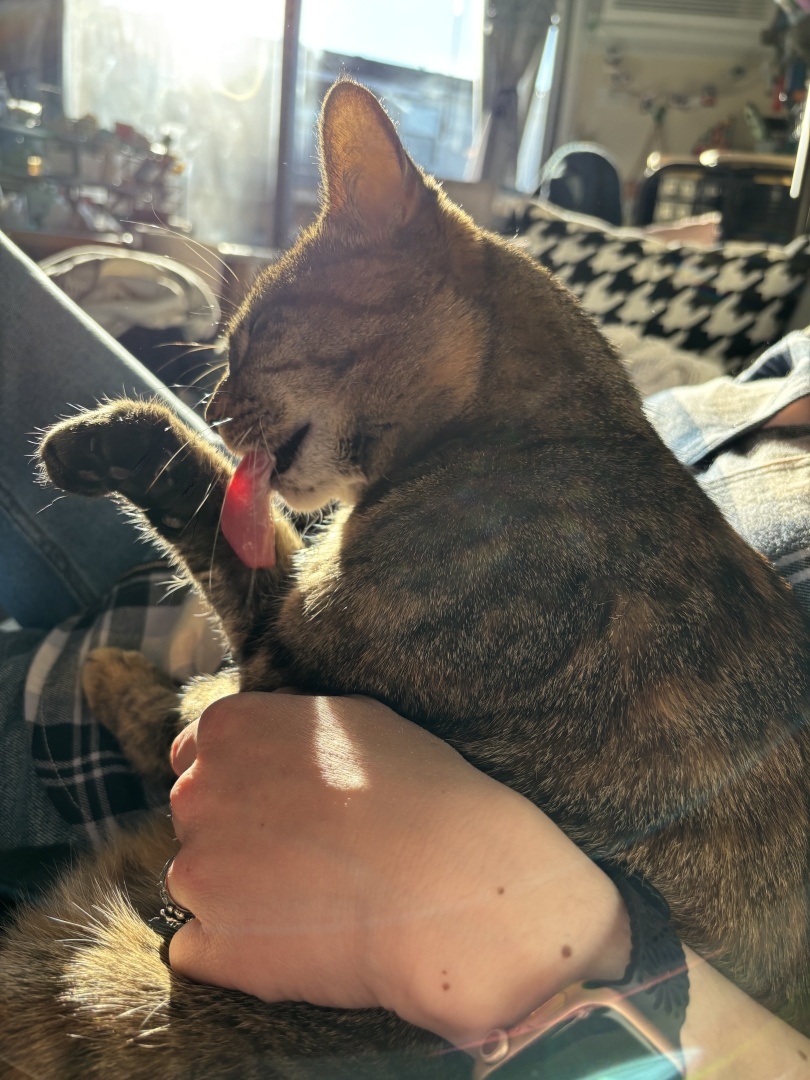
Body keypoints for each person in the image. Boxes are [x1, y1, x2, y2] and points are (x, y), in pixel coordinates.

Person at [1, 226, 810, 1072]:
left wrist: (559, 942)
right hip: (243, 651)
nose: (219, 401)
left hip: (222, 886)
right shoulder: (776, 368)